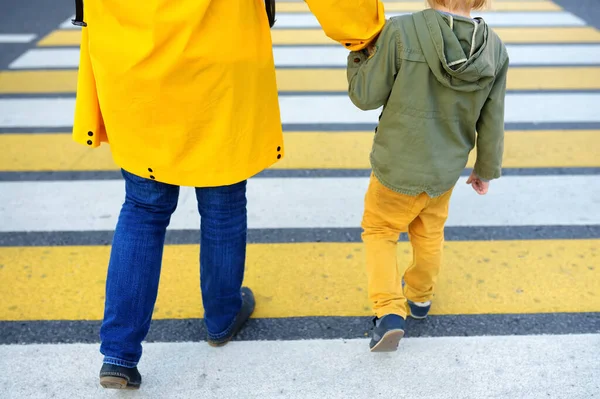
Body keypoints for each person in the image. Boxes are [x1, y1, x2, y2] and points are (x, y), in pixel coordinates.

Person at [70, 0, 386, 390]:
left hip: (129, 56)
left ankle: (118, 355)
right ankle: (221, 317)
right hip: (219, 56)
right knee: (223, 200)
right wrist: (364, 29)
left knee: (143, 207)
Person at [347, 0, 508, 352]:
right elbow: (493, 118)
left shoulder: (401, 30)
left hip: (395, 165)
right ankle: (419, 297)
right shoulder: (494, 48)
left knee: (380, 230)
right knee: (429, 231)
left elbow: (365, 96)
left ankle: (389, 310)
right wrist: (485, 169)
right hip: (444, 170)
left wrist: (358, 53)